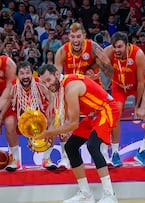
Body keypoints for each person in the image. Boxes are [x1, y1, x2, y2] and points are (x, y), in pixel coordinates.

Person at [37, 64, 118, 203]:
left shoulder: (71, 87)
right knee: (70, 147)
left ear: (57, 74)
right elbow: (65, 119)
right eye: (43, 82)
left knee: (93, 146)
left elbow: (73, 124)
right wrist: (49, 133)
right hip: (93, 114)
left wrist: (48, 133)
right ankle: (86, 194)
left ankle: (110, 195)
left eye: (48, 80)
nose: (47, 85)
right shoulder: (61, 88)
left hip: (107, 109)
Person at [46, 22, 114, 169]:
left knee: (100, 120)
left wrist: (98, 67)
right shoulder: (62, 52)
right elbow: (55, 79)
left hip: (91, 90)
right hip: (70, 90)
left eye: (78, 36)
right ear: (68, 37)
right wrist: (57, 102)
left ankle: (105, 154)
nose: (76, 40)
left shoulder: (93, 47)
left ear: (84, 36)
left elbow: (110, 71)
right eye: (72, 36)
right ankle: (65, 158)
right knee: (63, 118)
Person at [0, 61, 52, 172]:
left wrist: (54, 116)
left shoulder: (40, 84)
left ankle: (46, 158)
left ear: (32, 74)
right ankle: (15, 159)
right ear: (18, 76)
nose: (25, 76)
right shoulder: (12, 87)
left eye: (27, 73)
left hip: (37, 116)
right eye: (22, 73)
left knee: (53, 117)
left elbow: (54, 100)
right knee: (9, 121)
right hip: (19, 116)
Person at [104, 31, 145, 167]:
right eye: (114, 47)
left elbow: (141, 82)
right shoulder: (108, 52)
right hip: (118, 87)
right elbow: (96, 65)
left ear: (127, 45)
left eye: (120, 47)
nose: (116, 50)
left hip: (136, 86)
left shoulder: (138, 54)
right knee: (115, 114)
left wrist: (139, 105)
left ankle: (143, 150)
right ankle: (115, 153)